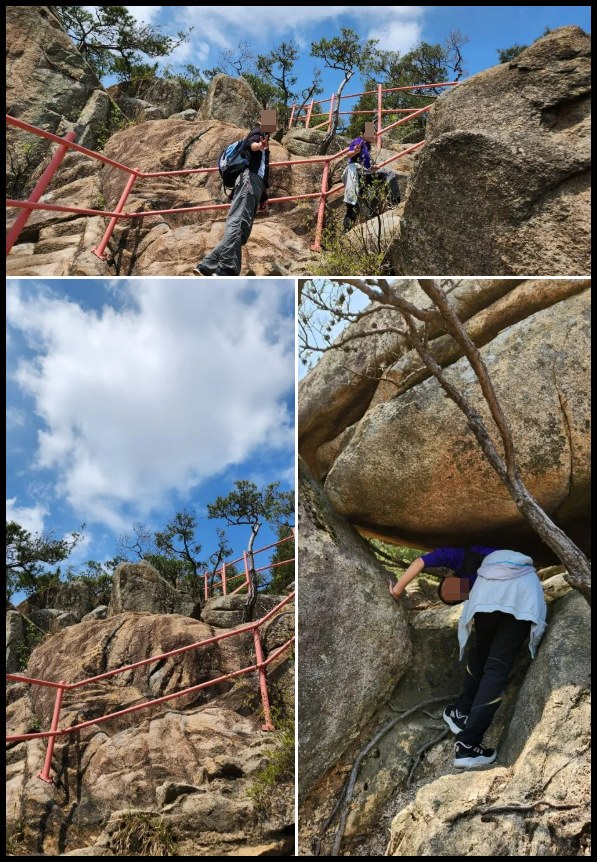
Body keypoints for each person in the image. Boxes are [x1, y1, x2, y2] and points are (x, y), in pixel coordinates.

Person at [390, 547, 547, 770]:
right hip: (522, 593)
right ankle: (466, 739)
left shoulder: (462, 556)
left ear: (449, 576)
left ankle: (462, 717)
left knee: (482, 653)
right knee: (495, 666)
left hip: (492, 594)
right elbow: (423, 562)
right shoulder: (470, 571)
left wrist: (397, 590)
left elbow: (421, 561)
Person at [194, 123, 270, 276]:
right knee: (239, 221)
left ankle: (208, 264)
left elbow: (262, 171)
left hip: (255, 184)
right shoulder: (258, 131)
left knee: (242, 231)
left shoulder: (266, 145)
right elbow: (251, 144)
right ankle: (227, 268)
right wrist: (258, 145)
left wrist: (264, 197)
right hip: (249, 180)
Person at [342, 132, 401, 232]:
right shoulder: (358, 141)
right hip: (357, 174)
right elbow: (349, 154)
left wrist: (372, 167)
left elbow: (366, 165)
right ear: (365, 133)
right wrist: (355, 151)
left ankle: (346, 230)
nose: (375, 136)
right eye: (372, 133)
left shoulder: (367, 146)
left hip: (364, 174)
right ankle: (395, 202)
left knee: (355, 204)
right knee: (389, 173)